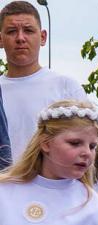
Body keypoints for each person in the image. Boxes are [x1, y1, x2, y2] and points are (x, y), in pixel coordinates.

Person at [0, 1, 83, 159]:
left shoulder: (66, 87)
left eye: (28, 30)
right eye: (11, 31)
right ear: (0, 39)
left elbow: (87, 143)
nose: (20, 38)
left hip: (54, 183)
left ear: (43, 37)